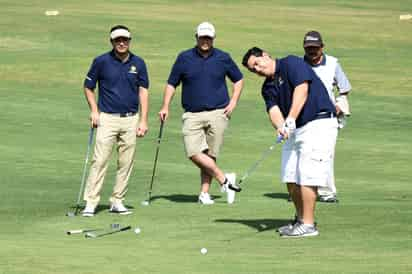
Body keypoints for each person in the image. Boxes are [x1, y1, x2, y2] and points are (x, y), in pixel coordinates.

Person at [242, 47, 338, 237]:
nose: (257, 70)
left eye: (257, 64)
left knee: (308, 175)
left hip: (318, 122)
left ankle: (309, 225)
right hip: (296, 129)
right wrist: (280, 126)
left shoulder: (290, 63)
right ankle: (301, 219)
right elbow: (273, 109)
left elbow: (302, 88)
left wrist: (291, 118)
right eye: (253, 70)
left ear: (266, 55)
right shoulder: (267, 87)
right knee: (290, 175)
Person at [159, 22, 243, 205]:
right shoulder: (184, 58)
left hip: (218, 112)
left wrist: (234, 101)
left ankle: (204, 194)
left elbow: (238, 79)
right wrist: (165, 105)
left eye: (208, 38)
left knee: (210, 155)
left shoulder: (223, 57)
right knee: (194, 152)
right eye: (202, 37)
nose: (205, 41)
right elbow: (172, 83)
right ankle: (224, 179)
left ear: (213, 39)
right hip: (192, 114)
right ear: (196, 37)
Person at [82, 25, 149, 217]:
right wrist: (94, 111)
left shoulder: (139, 63)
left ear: (129, 40)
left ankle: (117, 201)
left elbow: (143, 91)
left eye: (125, 40)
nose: (121, 43)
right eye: (117, 40)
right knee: (100, 160)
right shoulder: (101, 61)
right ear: (111, 41)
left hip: (130, 119)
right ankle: (91, 202)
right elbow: (88, 86)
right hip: (107, 119)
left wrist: (143, 120)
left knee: (126, 162)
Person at [303, 30, 352, 203]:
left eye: (315, 48)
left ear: (322, 47)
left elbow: (344, 88)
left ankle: (327, 191)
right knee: (305, 154)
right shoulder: (299, 64)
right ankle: (305, 191)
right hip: (304, 117)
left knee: (325, 155)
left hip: (327, 116)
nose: (312, 52)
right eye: (309, 48)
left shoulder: (332, 63)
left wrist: (340, 104)